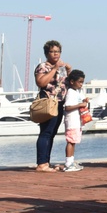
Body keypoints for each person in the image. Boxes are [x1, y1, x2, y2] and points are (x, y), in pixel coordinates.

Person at [34, 40, 71, 172]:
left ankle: (45, 162)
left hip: (59, 103)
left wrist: (68, 71)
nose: (56, 54)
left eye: (58, 51)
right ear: (46, 53)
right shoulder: (43, 66)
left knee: (52, 133)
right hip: (48, 102)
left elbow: (66, 85)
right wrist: (55, 68)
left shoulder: (61, 67)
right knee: (46, 132)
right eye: (52, 51)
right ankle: (41, 163)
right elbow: (41, 82)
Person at [62, 69, 89, 172]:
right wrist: (80, 105)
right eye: (80, 82)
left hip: (77, 120)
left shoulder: (77, 92)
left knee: (74, 141)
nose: (81, 84)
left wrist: (85, 100)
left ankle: (71, 160)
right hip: (72, 120)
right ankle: (68, 162)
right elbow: (67, 107)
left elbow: (82, 99)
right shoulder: (70, 92)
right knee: (71, 140)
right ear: (72, 82)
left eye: (82, 82)